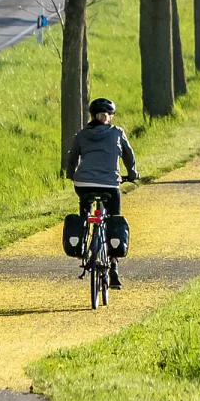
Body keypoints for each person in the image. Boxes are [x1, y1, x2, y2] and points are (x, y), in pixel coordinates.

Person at [65, 97, 138, 289]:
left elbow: (72, 157)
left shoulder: (81, 134)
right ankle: (113, 269)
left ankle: (83, 241)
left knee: (85, 213)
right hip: (110, 185)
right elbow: (129, 156)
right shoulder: (117, 133)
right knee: (113, 219)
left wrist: (70, 174)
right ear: (111, 117)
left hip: (83, 183)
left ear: (92, 116)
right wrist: (132, 174)